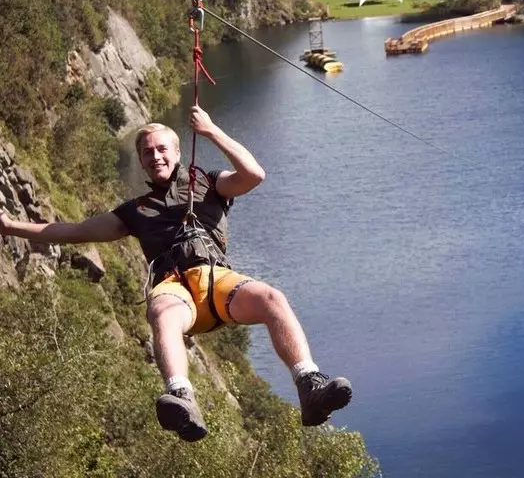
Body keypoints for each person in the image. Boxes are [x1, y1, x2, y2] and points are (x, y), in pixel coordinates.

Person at [0, 105, 352, 442]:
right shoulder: (134, 211)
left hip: (216, 280)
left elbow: (253, 175)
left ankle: (309, 385)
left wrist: (211, 130)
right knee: (161, 311)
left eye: (162, 149)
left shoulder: (209, 184)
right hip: (176, 288)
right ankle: (182, 396)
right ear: (140, 161)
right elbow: (74, 231)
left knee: (272, 298)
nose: (156, 156)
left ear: (178, 151)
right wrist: (11, 226)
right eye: (147, 153)